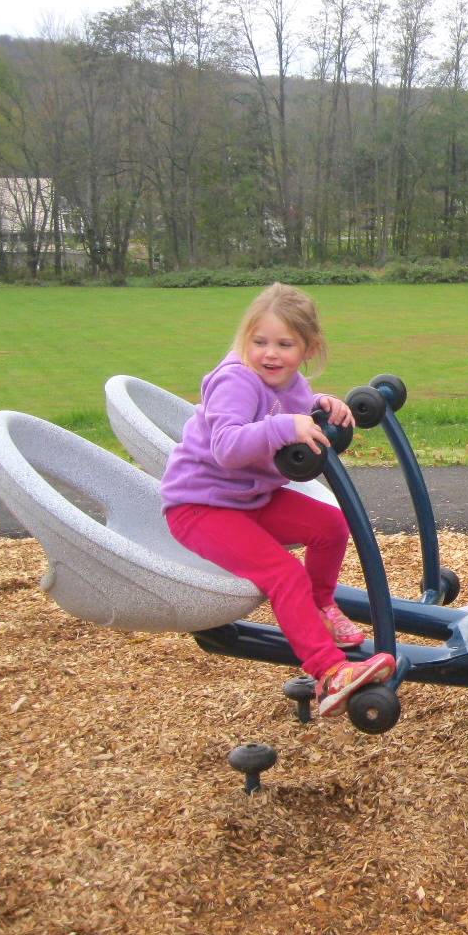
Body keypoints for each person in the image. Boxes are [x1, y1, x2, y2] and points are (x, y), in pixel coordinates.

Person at [161, 282, 395, 717]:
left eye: (285, 344)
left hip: (248, 499)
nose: (270, 354)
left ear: (309, 348)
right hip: (199, 506)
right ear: (245, 340)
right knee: (284, 575)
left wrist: (322, 404)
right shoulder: (236, 380)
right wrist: (288, 426)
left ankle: (321, 606)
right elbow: (227, 447)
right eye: (259, 341)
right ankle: (328, 673)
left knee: (330, 526)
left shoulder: (292, 382)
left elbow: (299, 408)